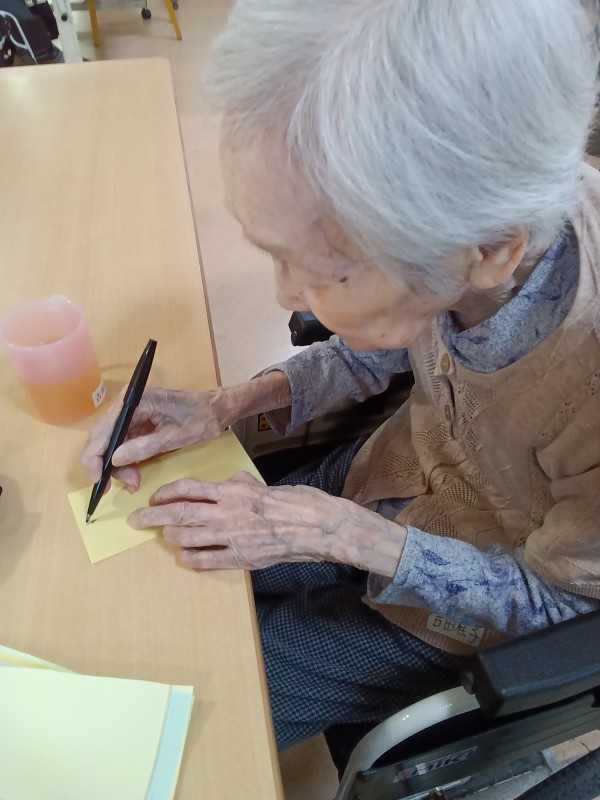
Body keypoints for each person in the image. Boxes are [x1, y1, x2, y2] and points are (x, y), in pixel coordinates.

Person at [82, 0, 600, 755]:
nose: (285, 297)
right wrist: (230, 404)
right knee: (151, 573)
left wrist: (344, 535)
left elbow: (565, 608)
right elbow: (385, 343)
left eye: (324, 270)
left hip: (458, 612)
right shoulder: (478, 220)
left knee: (178, 702)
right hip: (387, 472)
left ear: (491, 249)